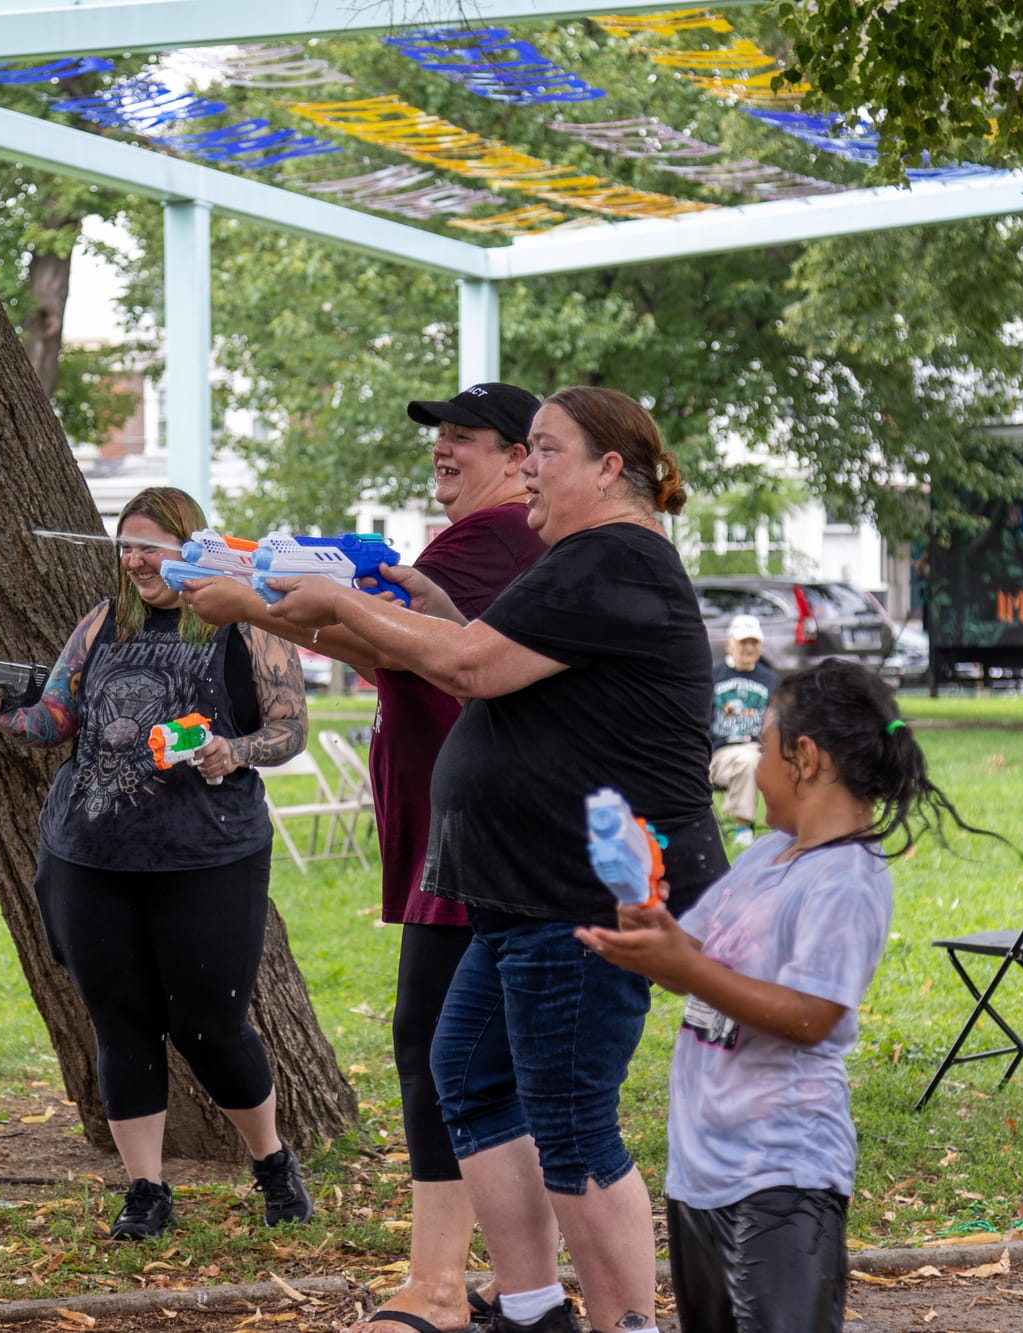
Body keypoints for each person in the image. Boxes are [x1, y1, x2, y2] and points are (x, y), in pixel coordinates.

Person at [264, 385, 728, 1333]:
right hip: (521, 890)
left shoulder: (614, 556)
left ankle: (625, 1323)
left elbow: (474, 666)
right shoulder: (577, 560)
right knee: (468, 1075)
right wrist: (420, 601)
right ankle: (531, 1308)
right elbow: (477, 649)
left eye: (544, 451)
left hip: (582, 894)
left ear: (609, 468)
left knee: (570, 1120)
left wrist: (336, 602)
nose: (527, 471)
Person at [178, 382, 548, 1333]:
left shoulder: (489, 541)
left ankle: (442, 1284)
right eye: (439, 437)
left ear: (519, 457)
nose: (443, 451)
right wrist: (266, 585)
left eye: (466, 438)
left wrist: (248, 601)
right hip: (466, 832)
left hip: (472, 838)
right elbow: (390, 641)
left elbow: (390, 642)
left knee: (439, 1050)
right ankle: (515, 1280)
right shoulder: (483, 545)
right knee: (473, 1056)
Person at [578, 661, 988, 1333]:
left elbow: (813, 1014)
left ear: (804, 758)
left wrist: (687, 962)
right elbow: (692, 960)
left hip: (783, 1176)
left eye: (761, 748)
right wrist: (642, 909)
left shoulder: (848, 880)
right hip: (701, 1173)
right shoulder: (764, 858)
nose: (753, 767)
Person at [0, 486, 316, 1241]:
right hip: (90, 855)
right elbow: (55, 717)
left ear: (192, 549)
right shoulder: (102, 622)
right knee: (119, 1021)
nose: (135, 560)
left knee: (211, 1025)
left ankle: (274, 1163)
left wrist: (233, 750)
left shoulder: (242, 617)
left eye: (150, 545)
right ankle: (146, 1191)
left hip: (207, 856)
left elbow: (290, 729)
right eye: (126, 546)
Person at [708, 614, 779, 848]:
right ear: (729, 643)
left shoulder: (771, 680)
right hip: (721, 753)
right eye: (743, 642)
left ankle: (791, 829)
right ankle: (742, 828)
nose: (749, 648)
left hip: (761, 751)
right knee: (749, 761)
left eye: (754, 642)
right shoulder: (712, 676)